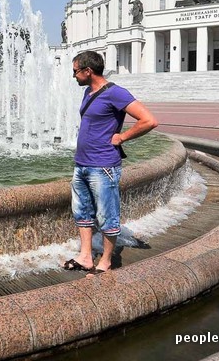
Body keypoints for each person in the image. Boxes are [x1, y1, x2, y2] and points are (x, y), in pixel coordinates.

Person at [63, 51, 158, 275]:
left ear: (88, 71)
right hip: (82, 164)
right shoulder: (89, 91)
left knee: (107, 215)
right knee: (82, 212)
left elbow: (149, 120)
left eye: (75, 71)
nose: (74, 76)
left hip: (103, 165)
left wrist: (122, 137)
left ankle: (105, 261)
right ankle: (86, 256)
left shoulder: (116, 93)